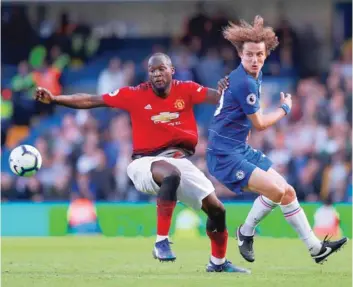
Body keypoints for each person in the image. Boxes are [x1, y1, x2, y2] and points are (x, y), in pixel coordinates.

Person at [34, 53, 249, 273]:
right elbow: (92, 100)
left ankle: (218, 263)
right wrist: (55, 99)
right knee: (170, 174)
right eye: (152, 70)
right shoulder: (135, 94)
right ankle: (161, 242)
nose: (157, 74)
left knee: (217, 211)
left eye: (161, 69)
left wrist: (228, 90)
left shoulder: (187, 89)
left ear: (171, 70)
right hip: (145, 163)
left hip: (179, 161)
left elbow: (220, 99)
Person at [206, 16, 347, 264]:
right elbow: (259, 124)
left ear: (266, 54)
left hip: (240, 149)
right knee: (277, 189)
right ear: (240, 55)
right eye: (249, 54)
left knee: (288, 192)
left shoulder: (252, 76)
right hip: (224, 155)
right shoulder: (245, 82)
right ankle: (246, 232)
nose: (255, 59)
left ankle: (316, 249)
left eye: (260, 54)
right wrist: (284, 109)